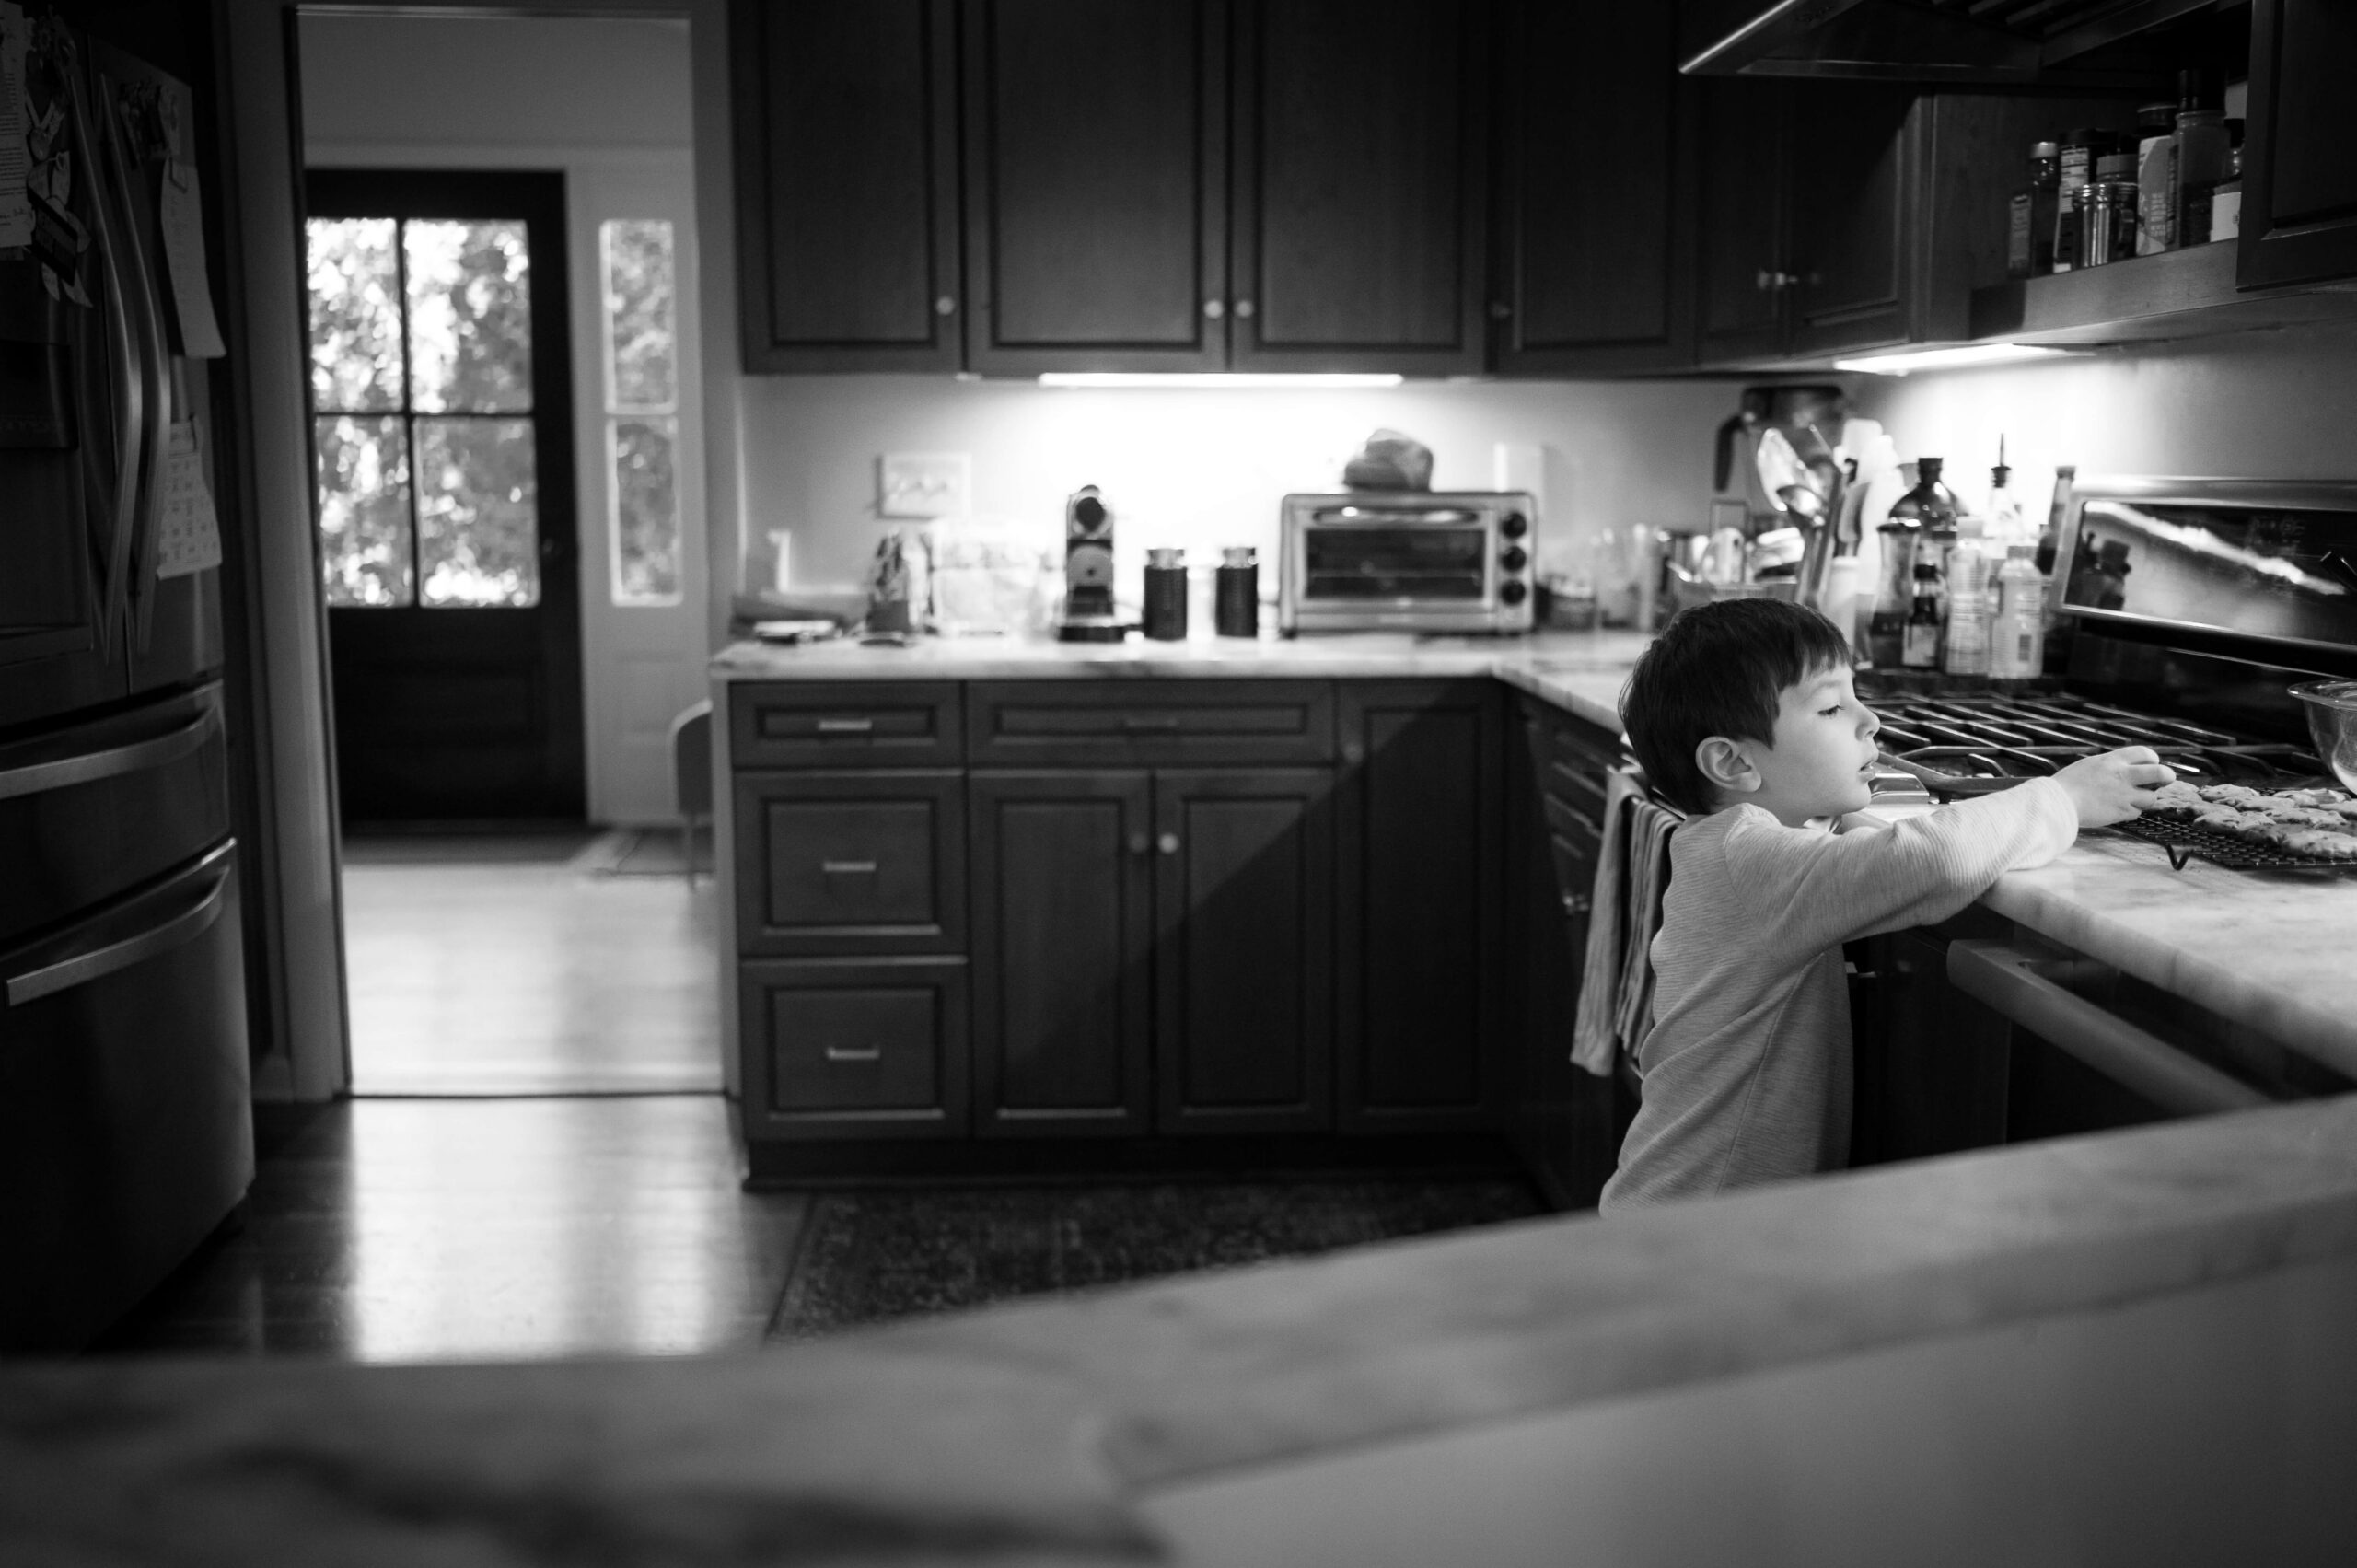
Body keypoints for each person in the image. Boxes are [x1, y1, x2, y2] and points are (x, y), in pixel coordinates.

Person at [1600, 598, 2172, 1212]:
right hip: (1697, 1226)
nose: (1870, 719)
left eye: (1857, 694)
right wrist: (2062, 797)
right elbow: (1935, 858)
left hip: (1702, 1211)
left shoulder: (1738, 850)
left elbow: (1850, 859)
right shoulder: (1752, 863)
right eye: (1831, 707)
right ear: (1733, 762)